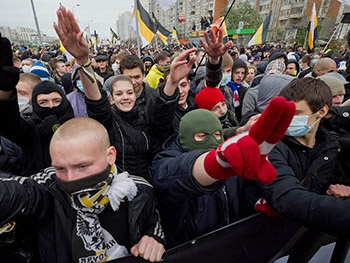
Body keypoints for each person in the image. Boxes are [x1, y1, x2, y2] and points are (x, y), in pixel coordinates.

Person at [0, 117, 165, 263]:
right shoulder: (50, 186)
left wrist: (154, 238)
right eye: (61, 169)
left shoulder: (139, 191)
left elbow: (152, 223)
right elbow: (20, 193)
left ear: (110, 156)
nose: (71, 179)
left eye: (82, 166)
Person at [54, 6, 186, 182]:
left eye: (129, 92)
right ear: (112, 98)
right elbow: (96, 102)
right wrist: (83, 61)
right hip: (118, 187)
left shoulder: (144, 117)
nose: (125, 97)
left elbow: (162, 112)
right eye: (119, 93)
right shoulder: (109, 121)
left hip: (149, 185)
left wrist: (173, 82)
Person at [152, 96, 295, 248]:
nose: (212, 141)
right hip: (189, 249)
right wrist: (217, 163)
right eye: (202, 136)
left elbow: (240, 189)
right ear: (186, 137)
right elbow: (177, 175)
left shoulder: (228, 153)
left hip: (226, 242)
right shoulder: (165, 161)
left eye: (217, 135)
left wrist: (256, 202)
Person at [250, 78, 350, 260]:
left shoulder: (329, 146)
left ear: (321, 112)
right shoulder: (268, 147)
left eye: (295, 113)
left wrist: (341, 188)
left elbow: (326, 178)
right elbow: (289, 197)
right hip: (262, 246)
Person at [0, 33, 75, 176]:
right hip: (40, 192)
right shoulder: (29, 130)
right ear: (34, 104)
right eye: (43, 102)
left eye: (56, 101)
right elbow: (7, 122)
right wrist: (5, 90)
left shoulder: (78, 126)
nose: (51, 106)